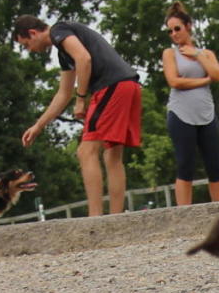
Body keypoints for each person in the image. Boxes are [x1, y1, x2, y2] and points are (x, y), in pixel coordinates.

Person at [14, 16, 142, 216]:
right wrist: (38, 126)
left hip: (111, 86)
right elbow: (63, 94)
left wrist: (81, 99)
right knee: (112, 154)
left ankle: (94, 218)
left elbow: (84, 58)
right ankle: (116, 217)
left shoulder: (59, 31)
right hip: (129, 85)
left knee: (86, 151)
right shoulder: (63, 54)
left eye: (26, 44)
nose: (29, 50)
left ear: (33, 33)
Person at [161, 2, 219, 205]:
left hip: (206, 115)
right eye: (170, 31)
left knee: (215, 167)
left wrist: (197, 55)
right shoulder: (170, 54)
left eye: (177, 29)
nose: (174, 34)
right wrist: (204, 81)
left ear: (188, 26)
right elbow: (174, 81)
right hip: (181, 115)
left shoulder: (206, 54)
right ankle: (184, 217)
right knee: (185, 166)